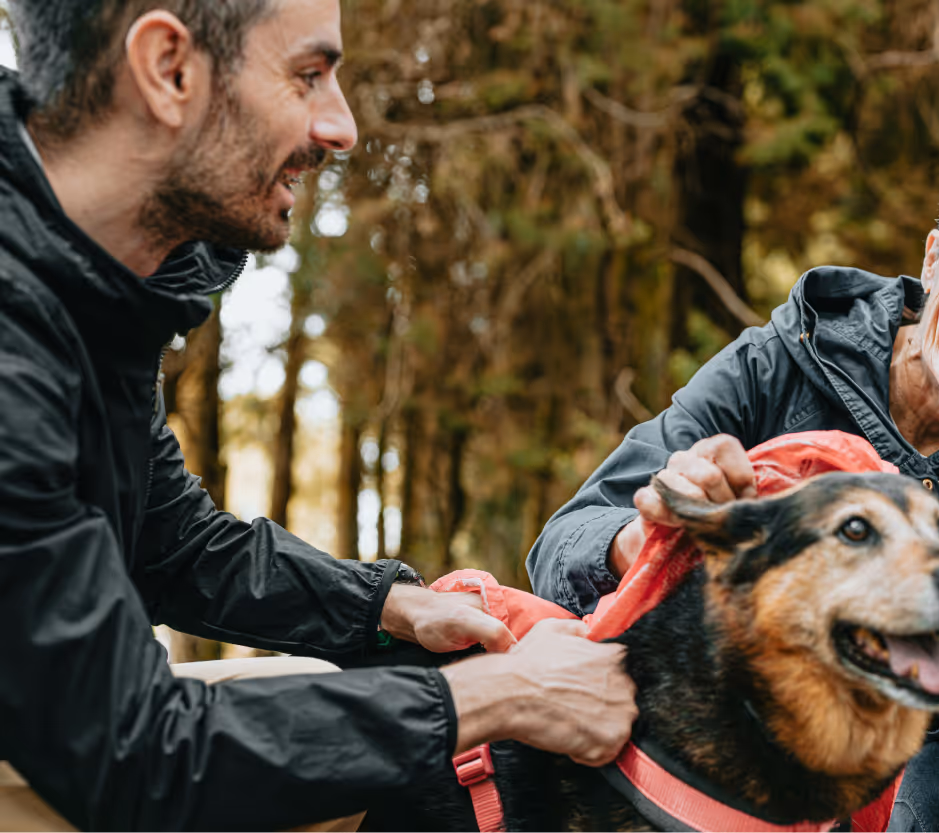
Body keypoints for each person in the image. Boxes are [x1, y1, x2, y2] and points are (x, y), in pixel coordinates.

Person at [0, 0, 637, 830]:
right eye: (308, 75)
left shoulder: (91, 287)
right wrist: (491, 697)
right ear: (169, 69)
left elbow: (170, 543)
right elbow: (140, 756)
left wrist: (384, 608)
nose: (341, 127)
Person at [528, 139, 939, 831]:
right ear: (935, 257)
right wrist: (652, 533)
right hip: (737, 681)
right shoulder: (778, 359)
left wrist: (898, 644)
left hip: (928, 713)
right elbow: (562, 546)